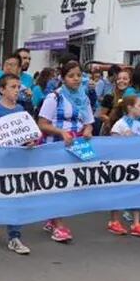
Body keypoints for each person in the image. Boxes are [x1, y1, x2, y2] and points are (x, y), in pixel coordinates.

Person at [37, 60, 94, 243]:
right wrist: (61, 132)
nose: (76, 79)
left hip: (77, 147)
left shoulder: (83, 97)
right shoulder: (54, 97)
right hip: (56, 146)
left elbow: (88, 121)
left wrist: (87, 130)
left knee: (71, 185)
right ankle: (59, 224)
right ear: (62, 78)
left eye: (79, 75)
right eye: (71, 76)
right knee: (58, 184)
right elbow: (42, 123)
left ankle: (52, 217)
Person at [0, 73, 32, 254]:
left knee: (15, 196)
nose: (17, 90)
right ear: (2, 90)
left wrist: (30, 142)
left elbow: (28, 134)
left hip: (15, 162)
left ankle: (14, 236)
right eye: (13, 87)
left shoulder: (21, 110)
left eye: (18, 87)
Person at [106, 95, 140, 237]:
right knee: (118, 192)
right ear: (129, 108)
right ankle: (114, 221)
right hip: (121, 165)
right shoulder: (120, 125)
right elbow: (112, 147)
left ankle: (137, 223)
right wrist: (125, 140)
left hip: (137, 163)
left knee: (137, 191)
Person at [100, 67, 135, 135]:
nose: (121, 81)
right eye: (119, 79)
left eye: (125, 79)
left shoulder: (133, 96)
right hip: (110, 131)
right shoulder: (109, 96)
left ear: (130, 82)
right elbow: (101, 115)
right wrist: (113, 122)